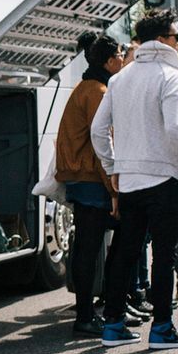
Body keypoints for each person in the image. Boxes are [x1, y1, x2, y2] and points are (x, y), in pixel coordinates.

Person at [91, 13, 178, 349]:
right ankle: (162, 328)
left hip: (128, 180)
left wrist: (113, 165)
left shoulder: (120, 80)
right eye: (176, 36)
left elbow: (98, 130)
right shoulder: (169, 77)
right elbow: (175, 127)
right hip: (161, 177)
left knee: (126, 252)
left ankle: (112, 326)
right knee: (164, 255)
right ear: (164, 39)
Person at [54, 33, 124, 337]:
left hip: (83, 177)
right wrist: (114, 190)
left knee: (87, 246)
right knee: (89, 247)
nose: (123, 58)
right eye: (121, 54)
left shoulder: (88, 87)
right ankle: (86, 315)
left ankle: (92, 311)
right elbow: (101, 144)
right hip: (90, 179)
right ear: (108, 61)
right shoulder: (97, 91)